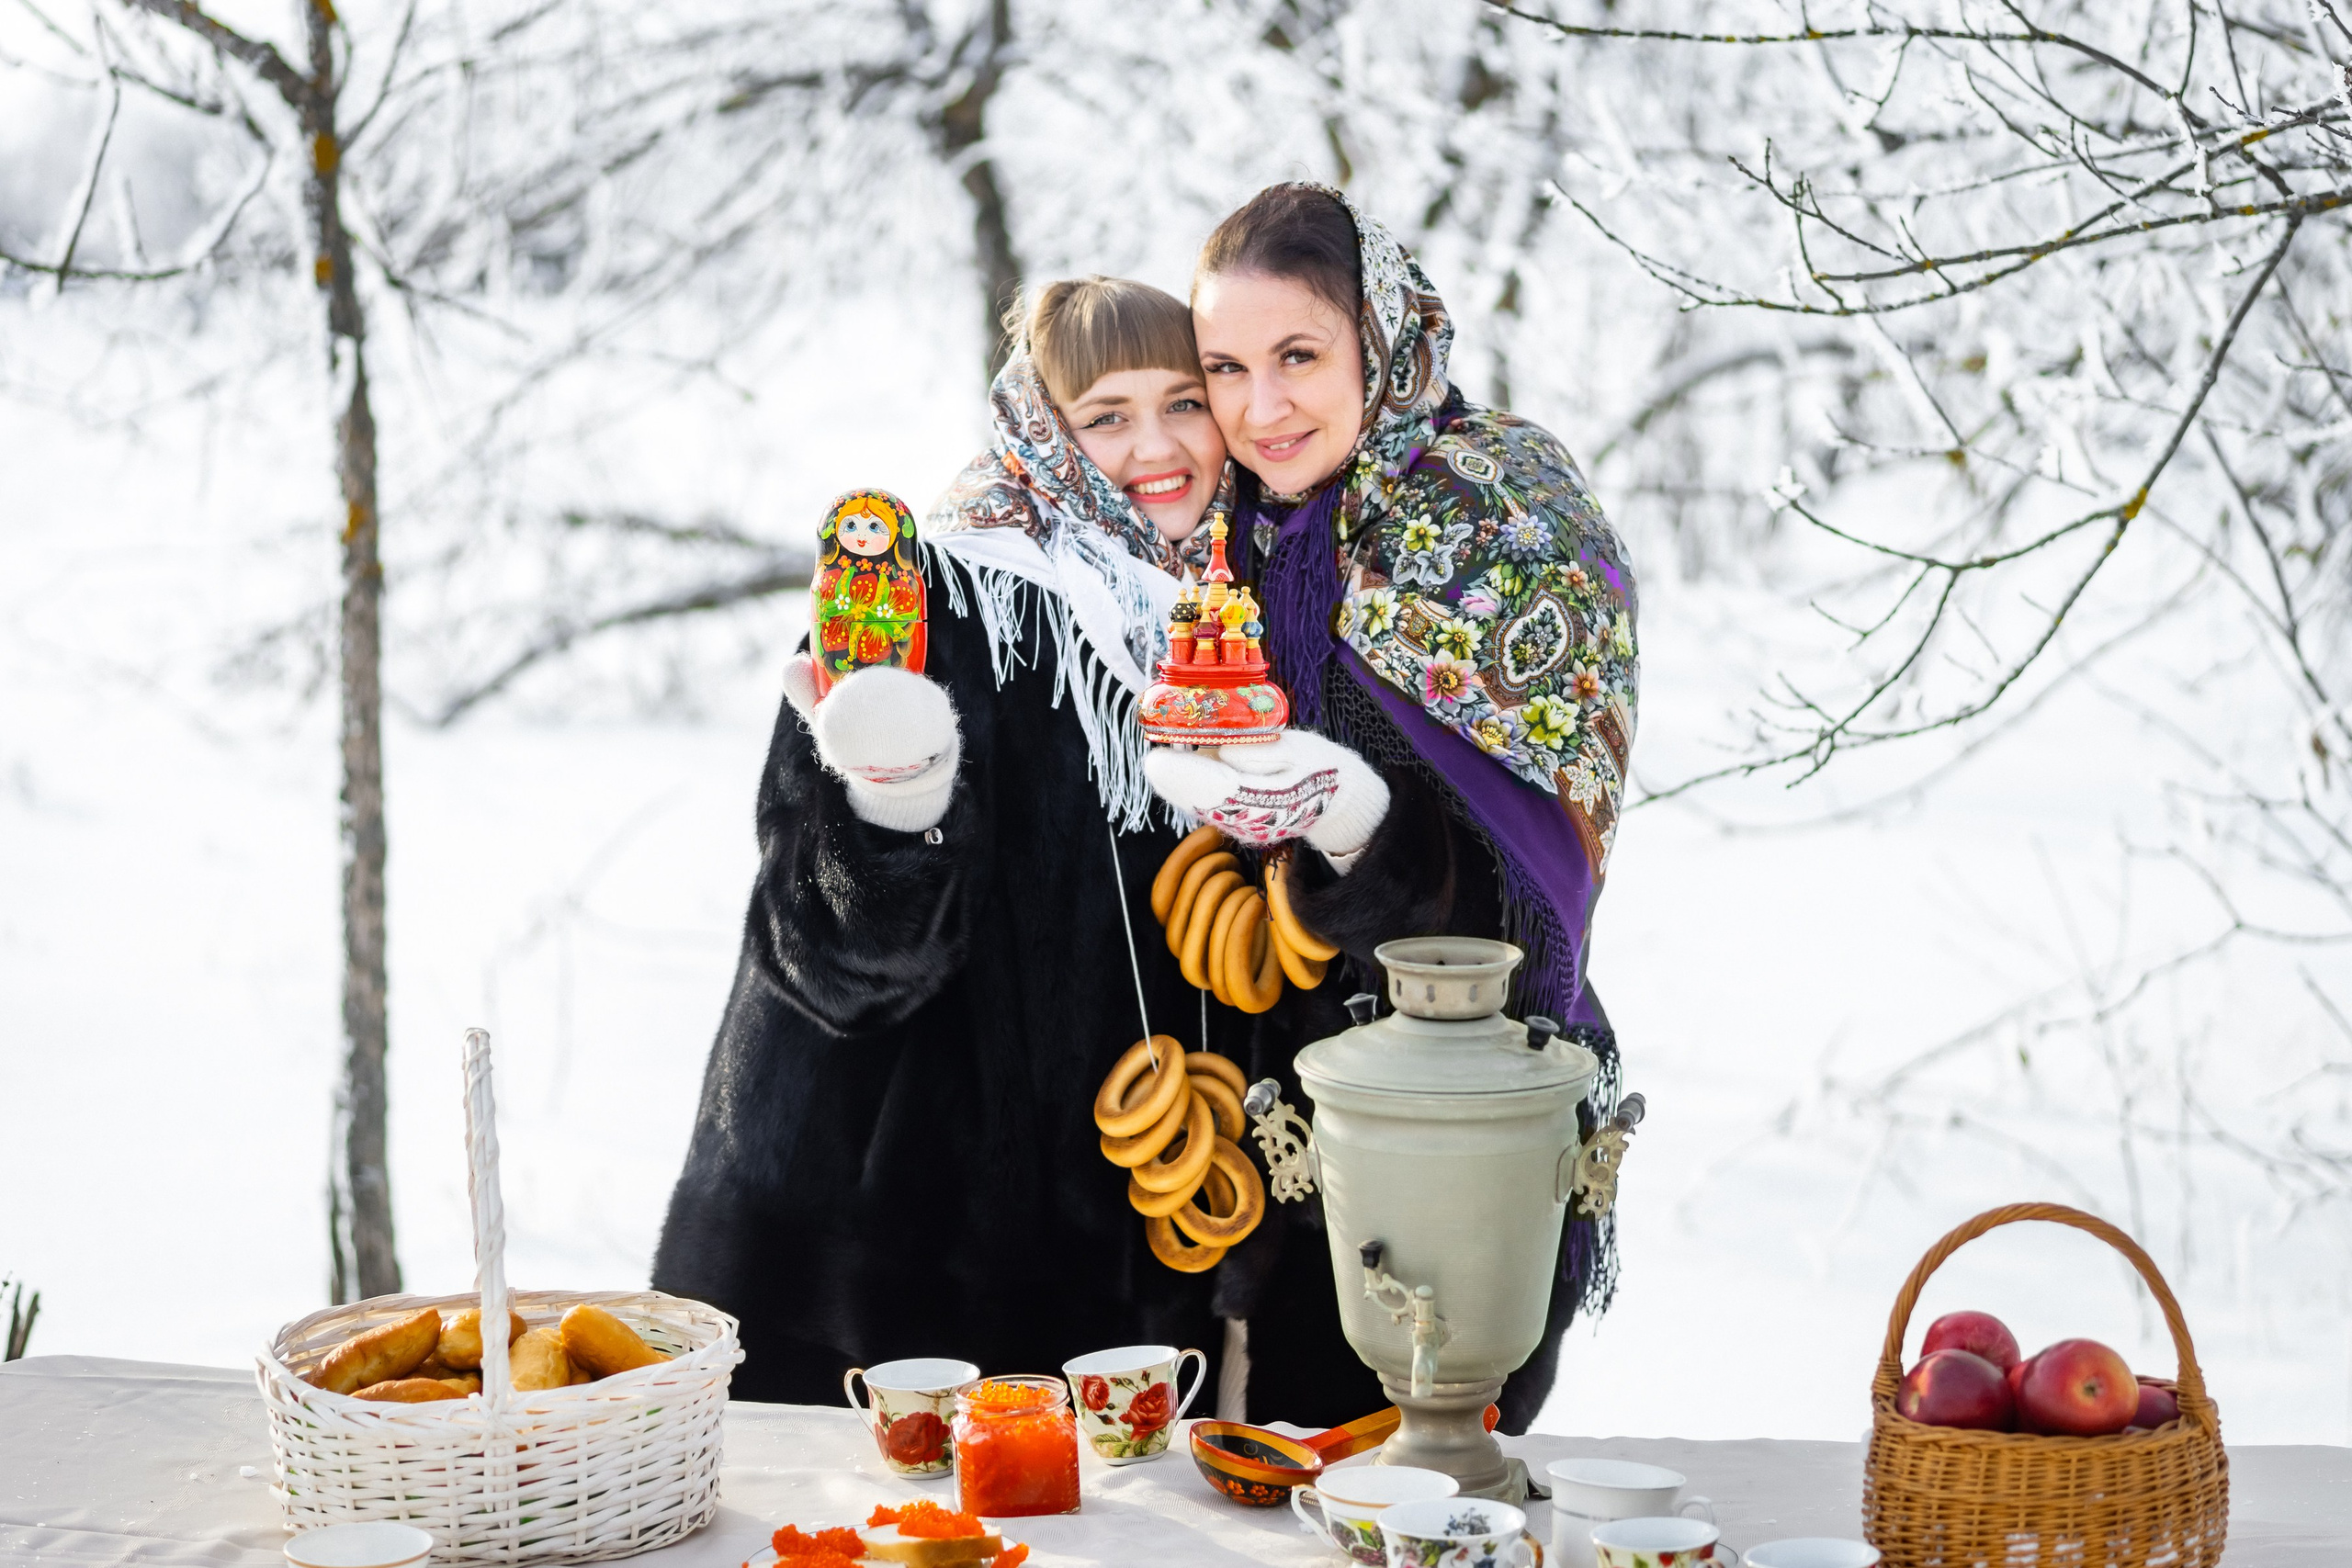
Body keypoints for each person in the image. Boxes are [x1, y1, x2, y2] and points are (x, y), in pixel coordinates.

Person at [654, 277, 1375, 1416]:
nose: (1157, 447)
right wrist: (894, 805)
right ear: (1041, 427)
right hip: (879, 1271)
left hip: (1121, 1279)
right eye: (1106, 415)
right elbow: (823, 960)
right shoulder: (933, 600)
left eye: (1185, 402)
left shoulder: (1234, 618)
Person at [1148, 184, 1642, 1433]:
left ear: (1386, 341)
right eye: (1227, 366)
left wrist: (1359, 820)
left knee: (1412, 1496)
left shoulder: (1494, 520)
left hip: (1438, 1138)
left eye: (1300, 356)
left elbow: (1521, 909)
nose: (1262, 408)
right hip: (1218, 1140)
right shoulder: (1208, 538)